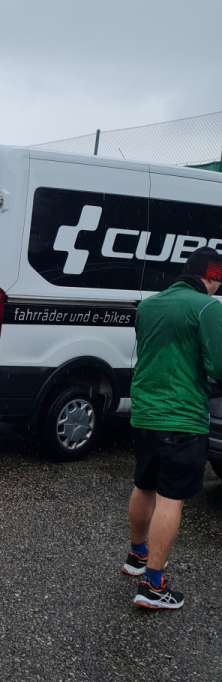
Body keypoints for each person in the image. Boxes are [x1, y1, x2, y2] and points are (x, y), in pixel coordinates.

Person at [123, 245, 222, 609]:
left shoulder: (149, 305)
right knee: (170, 498)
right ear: (211, 277)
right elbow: (218, 366)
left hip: (144, 414)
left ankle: (136, 556)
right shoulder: (208, 307)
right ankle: (153, 586)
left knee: (144, 485)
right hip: (182, 418)